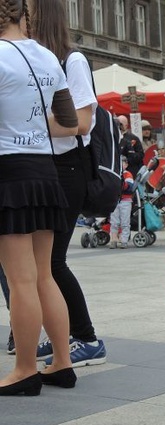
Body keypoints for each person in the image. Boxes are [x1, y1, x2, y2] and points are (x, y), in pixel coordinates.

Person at [0, 0, 79, 395]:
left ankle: (25, 370)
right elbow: (68, 120)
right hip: (45, 171)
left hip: (9, 174)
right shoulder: (47, 55)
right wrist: (29, 124)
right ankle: (62, 362)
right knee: (43, 274)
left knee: (20, 280)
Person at [30, 0, 107, 369]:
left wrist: (25, 123)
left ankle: (87, 338)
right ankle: (61, 335)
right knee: (39, 262)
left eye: (25, 10)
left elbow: (81, 122)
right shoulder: (32, 62)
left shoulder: (70, 60)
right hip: (42, 164)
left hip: (68, 167)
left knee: (53, 261)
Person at [108, 157, 135, 249]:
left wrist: (121, 183)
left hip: (125, 201)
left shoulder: (128, 174)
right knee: (114, 222)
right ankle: (113, 239)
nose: (120, 165)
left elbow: (129, 187)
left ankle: (124, 240)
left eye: (122, 163)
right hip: (115, 200)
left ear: (126, 165)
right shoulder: (114, 173)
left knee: (125, 222)